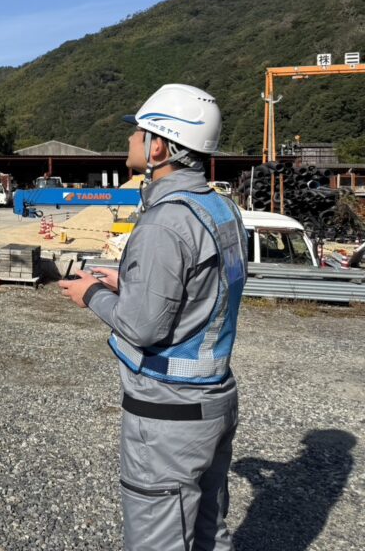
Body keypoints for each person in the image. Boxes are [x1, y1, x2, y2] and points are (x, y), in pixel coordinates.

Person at [58, 84, 248, 551]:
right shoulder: (222, 209)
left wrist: (93, 294)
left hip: (169, 412)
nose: (130, 142)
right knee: (208, 533)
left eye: (137, 133)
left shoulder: (165, 220)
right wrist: (131, 283)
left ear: (159, 146)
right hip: (213, 399)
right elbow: (207, 286)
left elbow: (143, 327)